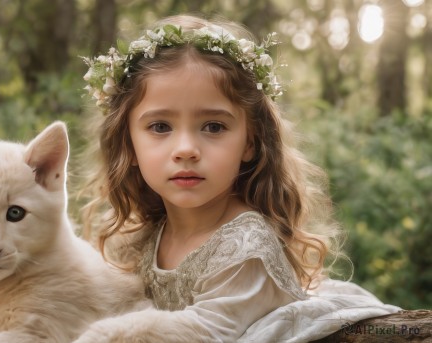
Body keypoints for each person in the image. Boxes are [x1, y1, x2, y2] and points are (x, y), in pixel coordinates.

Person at [74, 14, 399, 342]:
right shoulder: (149, 233)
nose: (186, 149)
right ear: (128, 144)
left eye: (213, 127)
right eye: (160, 127)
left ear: (250, 142)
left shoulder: (246, 247)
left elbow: (209, 333)